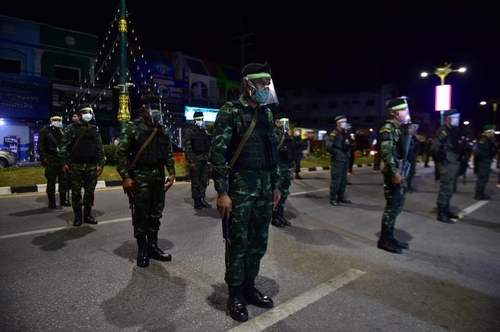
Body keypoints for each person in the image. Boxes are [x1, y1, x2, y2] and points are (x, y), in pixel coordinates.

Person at [208, 61, 280, 322]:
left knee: (258, 241)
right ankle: (235, 293)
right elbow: (217, 153)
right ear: (247, 83)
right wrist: (222, 192)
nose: (265, 88)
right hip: (239, 188)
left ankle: (250, 287)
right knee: (237, 243)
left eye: (268, 84)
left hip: (263, 188)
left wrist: (275, 185)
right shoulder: (230, 111)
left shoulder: (266, 114)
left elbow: (271, 152)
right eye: (261, 83)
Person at [115, 94, 176, 268]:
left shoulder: (162, 129)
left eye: (157, 106)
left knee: (156, 214)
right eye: (152, 107)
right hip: (139, 178)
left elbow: (168, 153)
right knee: (141, 215)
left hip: (158, 178)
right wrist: (125, 177)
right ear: (143, 109)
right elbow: (120, 153)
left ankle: (153, 247)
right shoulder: (132, 128)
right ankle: (142, 250)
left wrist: (171, 173)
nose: (155, 110)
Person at [59, 103, 106, 227]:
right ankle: (78, 216)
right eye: (85, 113)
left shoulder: (95, 130)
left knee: (90, 192)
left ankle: (87, 214)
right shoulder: (71, 128)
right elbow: (63, 147)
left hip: (91, 165)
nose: (88, 115)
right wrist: (63, 163)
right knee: (76, 192)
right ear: (79, 115)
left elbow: (100, 147)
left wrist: (101, 164)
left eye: (89, 112)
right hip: (76, 165)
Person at [376, 96, 412, 254]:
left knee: (397, 206)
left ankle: (389, 237)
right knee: (392, 206)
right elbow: (387, 153)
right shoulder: (388, 128)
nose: (405, 112)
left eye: (405, 109)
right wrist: (394, 172)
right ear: (393, 112)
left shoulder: (398, 128)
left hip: (399, 170)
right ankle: (384, 240)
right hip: (393, 173)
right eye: (402, 110)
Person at [430, 109, 465, 224]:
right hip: (447, 164)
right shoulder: (443, 131)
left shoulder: (453, 131)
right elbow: (435, 149)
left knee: (450, 189)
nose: (457, 120)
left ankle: (446, 210)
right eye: (455, 117)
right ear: (447, 118)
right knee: (446, 189)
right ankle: (442, 213)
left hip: (453, 163)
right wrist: (440, 162)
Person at [37, 114, 71, 208]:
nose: (57, 121)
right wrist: (43, 157)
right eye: (55, 120)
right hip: (50, 158)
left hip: (62, 159)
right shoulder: (45, 131)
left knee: (63, 180)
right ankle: (51, 201)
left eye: (59, 120)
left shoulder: (63, 131)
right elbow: (40, 145)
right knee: (51, 181)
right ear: (51, 120)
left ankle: (63, 199)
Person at [184, 111, 212, 209]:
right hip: (196, 160)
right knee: (196, 181)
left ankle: (202, 198)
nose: (200, 121)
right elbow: (188, 147)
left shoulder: (204, 132)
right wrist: (191, 161)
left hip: (204, 160)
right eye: (199, 119)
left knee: (203, 180)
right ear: (194, 120)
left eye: (201, 119)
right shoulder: (190, 132)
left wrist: (209, 160)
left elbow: (208, 146)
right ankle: (197, 201)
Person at [271, 113, 295, 228]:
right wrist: (284, 134)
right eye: (283, 122)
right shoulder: (274, 134)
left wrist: (292, 167)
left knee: (284, 193)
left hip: (286, 167)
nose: (286, 125)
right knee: (277, 194)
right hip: (278, 168)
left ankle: (280, 215)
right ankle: (274, 216)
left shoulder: (287, 135)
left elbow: (291, 152)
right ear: (277, 123)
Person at [325, 115, 352, 206]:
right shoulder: (335, 133)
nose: (345, 123)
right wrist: (335, 153)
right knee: (337, 179)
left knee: (343, 179)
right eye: (343, 122)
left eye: (345, 121)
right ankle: (333, 198)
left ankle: (341, 196)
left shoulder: (345, 133)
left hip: (345, 158)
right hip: (338, 159)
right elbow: (328, 146)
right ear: (338, 123)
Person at [474, 124, 497, 200]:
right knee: (482, 178)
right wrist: (477, 164)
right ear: (488, 132)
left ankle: (481, 193)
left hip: (486, 161)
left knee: (485, 178)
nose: (493, 134)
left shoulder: (488, 140)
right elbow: (478, 153)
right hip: (483, 162)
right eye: (492, 132)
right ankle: (479, 194)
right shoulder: (483, 140)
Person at [406, 123, 420, 193]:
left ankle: (409, 186)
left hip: (412, 157)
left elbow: (417, 147)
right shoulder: (407, 137)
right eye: (413, 129)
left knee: (412, 172)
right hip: (408, 158)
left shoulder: (414, 137)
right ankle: (405, 187)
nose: (415, 130)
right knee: (408, 173)